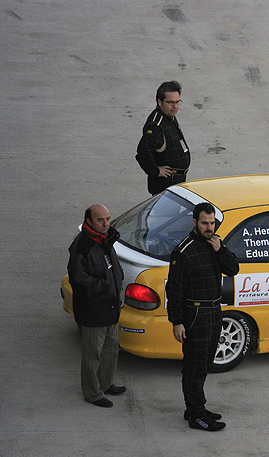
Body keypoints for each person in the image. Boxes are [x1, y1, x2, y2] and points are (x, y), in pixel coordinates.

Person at [166, 202, 239, 431]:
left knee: (206, 362)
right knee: (194, 365)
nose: (209, 227)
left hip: (214, 312)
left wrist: (221, 250)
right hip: (195, 314)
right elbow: (174, 290)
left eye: (212, 223)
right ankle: (196, 414)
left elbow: (233, 269)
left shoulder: (215, 244)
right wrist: (177, 321)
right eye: (205, 223)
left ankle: (194, 407)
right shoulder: (183, 251)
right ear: (195, 222)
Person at [67, 204, 126, 408]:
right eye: (101, 220)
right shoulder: (82, 245)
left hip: (110, 307)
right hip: (93, 310)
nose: (106, 224)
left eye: (108, 219)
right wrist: (105, 286)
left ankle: (105, 383)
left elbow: (111, 265)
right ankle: (92, 393)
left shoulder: (105, 240)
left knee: (111, 350)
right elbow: (78, 278)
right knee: (93, 355)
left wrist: (116, 280)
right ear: (89, 221)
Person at [136, 81, 191, 195]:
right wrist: (155, 171)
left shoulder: (169, 116)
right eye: (170, 102)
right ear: (159, 102)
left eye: (177, 102)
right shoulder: (156, 126)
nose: (175, 106)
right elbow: (143, 151)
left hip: (176, 181)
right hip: (166, 184)